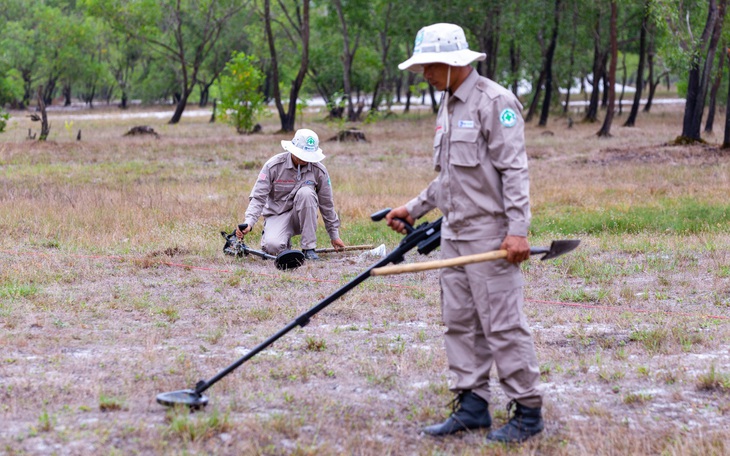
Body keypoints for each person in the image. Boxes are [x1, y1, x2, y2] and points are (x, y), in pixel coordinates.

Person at [386, 23, 543, 443]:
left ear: (453, 62)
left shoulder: (496, 102)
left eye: (429, 66)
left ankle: (527, 411)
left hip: (492, 235)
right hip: (454, 232)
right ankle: (472, 404)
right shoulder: (448, 105)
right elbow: (450, 179)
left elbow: (514, 171)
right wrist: (414, 208)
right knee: (458, 323)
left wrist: (518, 231)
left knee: (502, 324)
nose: (424, 75)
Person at [236, 128, 346, 260]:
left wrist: (334, 235)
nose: (305, 159)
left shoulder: (319, 171)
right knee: (273, 248)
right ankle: (282, 244)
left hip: (303, 217)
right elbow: (258, 198)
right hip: (277, 214)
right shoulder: (273, 166)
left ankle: (308, 248)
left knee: (306, 193)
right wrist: (249, 223)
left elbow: (327, 204)